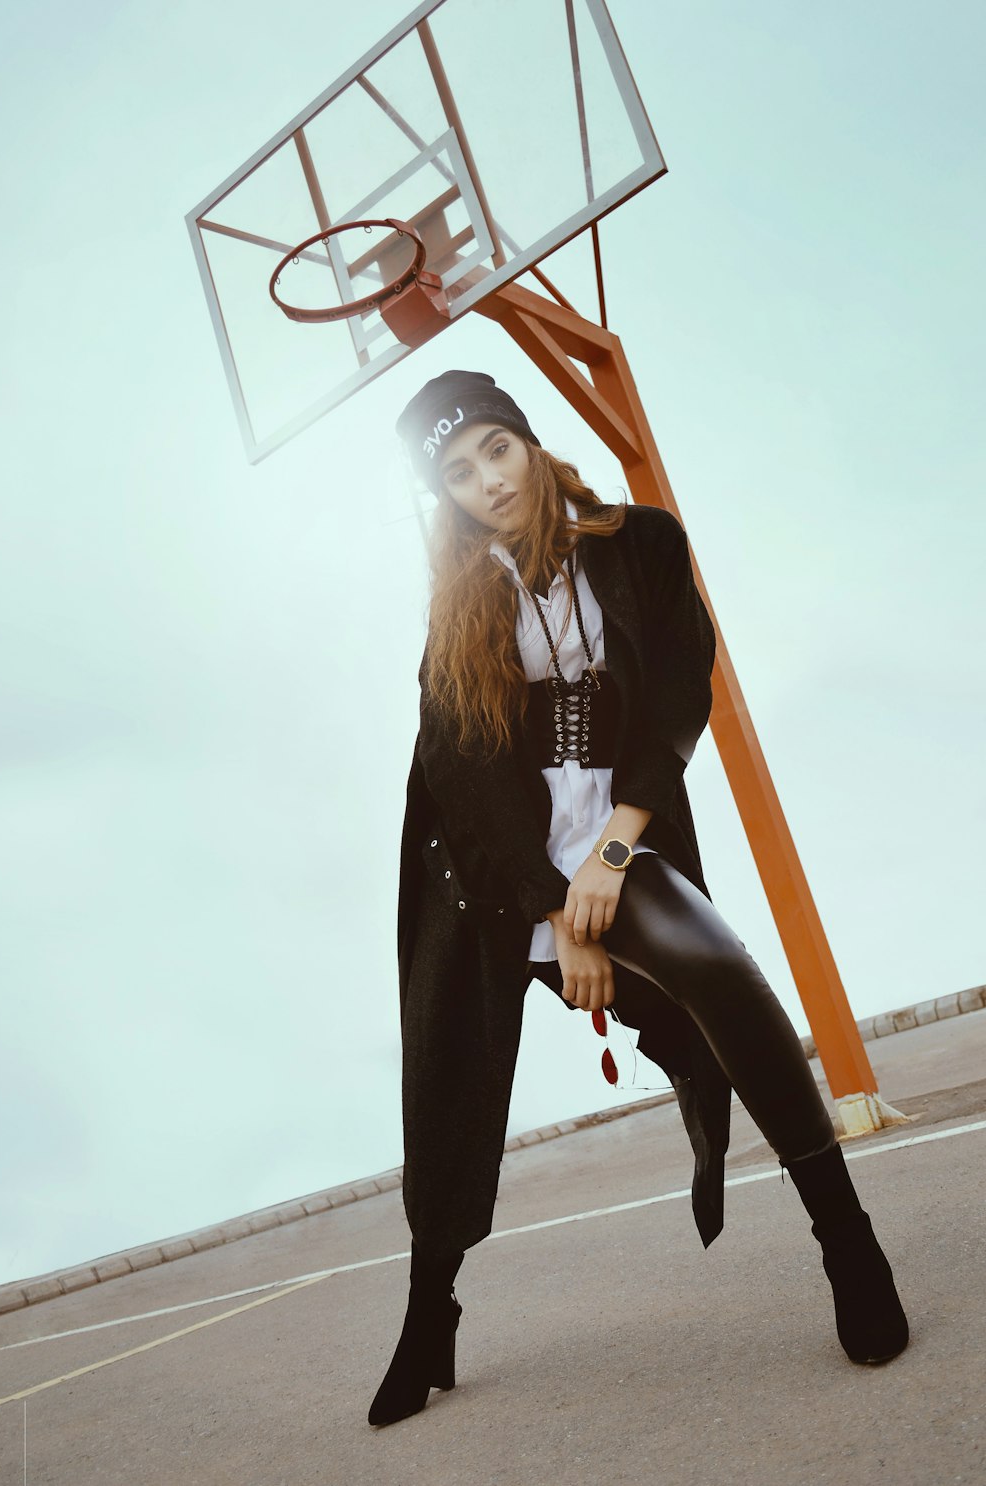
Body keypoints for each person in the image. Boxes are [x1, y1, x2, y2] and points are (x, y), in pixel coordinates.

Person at [368, 370, 909, 1428]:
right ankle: (428, 1313)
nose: (487, 480)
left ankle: (846, 1238)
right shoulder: (458, 607)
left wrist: (608, 862)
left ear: (528, 442)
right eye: (458, 472)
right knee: (450, 1084)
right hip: (483, 872)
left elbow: (677, 691)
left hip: (615, 834)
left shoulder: (639, 543)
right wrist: (551, 907)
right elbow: (463, 776)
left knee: (715, 967)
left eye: (494, 449)